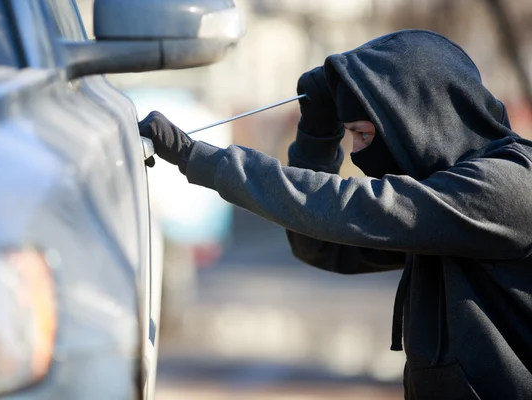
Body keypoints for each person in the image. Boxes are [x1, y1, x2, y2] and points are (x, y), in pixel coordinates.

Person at [139, 29, 532, 399]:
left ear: (417, 118)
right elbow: (322, 245)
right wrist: (316, 135)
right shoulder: (444, 202)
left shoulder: (506, 188)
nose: (359, 153)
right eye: (351, 135)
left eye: (365, 134)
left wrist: (200, 159)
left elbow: (351, 208)